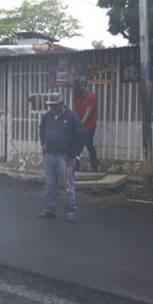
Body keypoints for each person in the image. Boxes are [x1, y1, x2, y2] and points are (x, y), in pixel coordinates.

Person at [38, 92, 87, 222]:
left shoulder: (72, 117)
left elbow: (82, 136)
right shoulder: (47, 117)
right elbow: (42, 129)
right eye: (50, 105)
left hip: (64, 158)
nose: (52, 108)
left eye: (54, 105)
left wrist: (73, 154)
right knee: (50, 184)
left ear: (61, 104)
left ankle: (70, 211)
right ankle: (49, 209)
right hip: (49, 157)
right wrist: (43, 143)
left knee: (67, 186)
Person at [72, 78, 99, 172]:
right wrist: (76, 123)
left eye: (80, 97)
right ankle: (76, 167)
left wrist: (79, 125)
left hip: (89, 127)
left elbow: (88, 113)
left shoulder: (91, 97)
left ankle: (94, 168)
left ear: (84, 92)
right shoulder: (76, 96)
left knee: (88, 146)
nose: (79, 98)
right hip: (80, 124)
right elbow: (76, 110)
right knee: (77, 148)